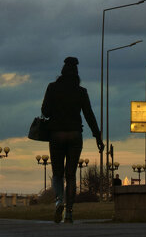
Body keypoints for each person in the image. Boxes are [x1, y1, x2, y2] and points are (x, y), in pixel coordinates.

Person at [41, 56, 104, 223]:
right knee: (71, 175)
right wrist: (98, 136)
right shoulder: (81, 91)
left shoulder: (52, 88)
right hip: (75, 134)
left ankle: (59, 201)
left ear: (62, 71)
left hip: (56, 134)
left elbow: (45, 111)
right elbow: (89, 115)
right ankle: (69, 213)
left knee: (57, 173)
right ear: (76, 73)